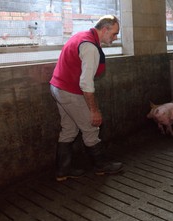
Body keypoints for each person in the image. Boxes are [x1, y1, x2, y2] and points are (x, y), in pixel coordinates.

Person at [50, 15, 123, 181]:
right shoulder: (90, 47)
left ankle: (63, 170)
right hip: (69, 91)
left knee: (69, 129)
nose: (115, 37)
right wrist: (94, 110)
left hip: (57, 87)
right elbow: (86, 83)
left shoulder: (81, 36)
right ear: (105, 30)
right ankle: (101, 166)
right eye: (114, 33)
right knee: (91, 127)